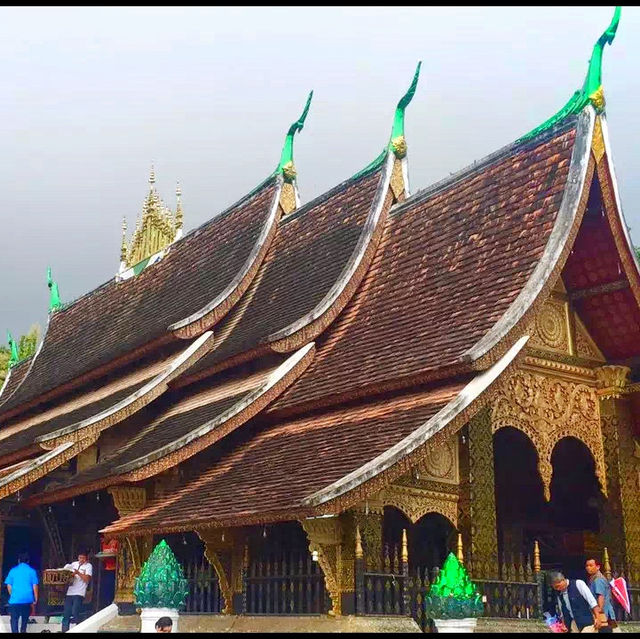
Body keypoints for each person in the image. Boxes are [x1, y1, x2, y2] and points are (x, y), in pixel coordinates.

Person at [3, 552, 38, 634]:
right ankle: (23, 630)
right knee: (25, 619)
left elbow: (8, 585)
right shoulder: (32, 571)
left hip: (15, 600)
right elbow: (35, 586)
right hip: (27, 600)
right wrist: (35, 598)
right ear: (28, 561)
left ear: (18, 561)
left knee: (14, 619)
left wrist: (12, 595)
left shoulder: (13, 570)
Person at [60, 550, 92, 633]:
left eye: (83, 558)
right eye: (80, 557)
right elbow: (66, 574)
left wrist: (78, 573)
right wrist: (71, 574)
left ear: (86, 558)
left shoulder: (88, 566)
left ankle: (78, 629)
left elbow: (87, 579)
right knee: (66, 613)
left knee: (75, 611)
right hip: (70, 592)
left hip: (79, 592)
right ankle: (64, 630)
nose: (81, 560)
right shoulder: (74, 564)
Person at [585, 558, 619, 633]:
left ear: (598, 567)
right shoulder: (592, 579)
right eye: (587, 566)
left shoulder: (598, 579)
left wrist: (599, 611)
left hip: (603, 614)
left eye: (591, 565)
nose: (588, 568)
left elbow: (601, 596)